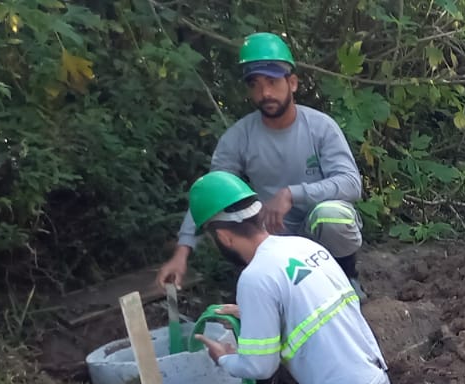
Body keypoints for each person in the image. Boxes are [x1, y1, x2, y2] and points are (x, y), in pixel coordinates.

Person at [187, 170, 396, 384]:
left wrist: (224, 358)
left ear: (223, 236)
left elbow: (259, 366)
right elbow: (309, 307)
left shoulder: (255, 277)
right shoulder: (302, 246)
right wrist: (255, 314)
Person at [157, 32, 369, 300]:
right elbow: (210, 196)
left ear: (292, 83)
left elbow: (351, 184)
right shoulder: (239, 137)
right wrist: (182, 252)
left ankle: (346, 278)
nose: (265, 93)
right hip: (272, 235)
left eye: (272, 81)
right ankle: (272, 293)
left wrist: (292, 193)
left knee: (333, 215)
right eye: (255, 84)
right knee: (231, 230)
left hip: (318, 231)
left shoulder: (320, 127)